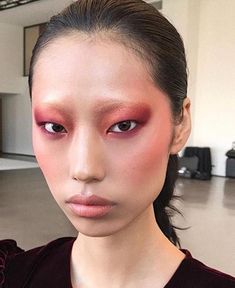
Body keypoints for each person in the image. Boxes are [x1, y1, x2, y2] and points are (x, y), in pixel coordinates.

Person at [0, 0, 235, 287]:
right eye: (55, 126)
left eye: (123, 125)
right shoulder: (10, 276)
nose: (85, 169)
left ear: (180, 125)